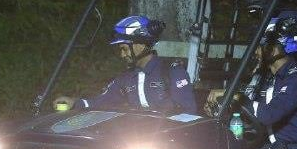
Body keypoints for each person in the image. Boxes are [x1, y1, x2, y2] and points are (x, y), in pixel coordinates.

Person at [205, 17, 297, 149]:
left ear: (272, 50)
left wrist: (233, 95)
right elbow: (249, 110)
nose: (255, 52)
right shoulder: (266, 77)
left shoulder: (296, 78)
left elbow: (268, 115)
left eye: (258, 46)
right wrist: (219, 107)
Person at [54, 15, 197, 114]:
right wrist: (74, 103)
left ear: (140, 44)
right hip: (137, 145)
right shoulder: (126, 78)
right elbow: (102, 101)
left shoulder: (171, 72)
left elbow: (189, 113)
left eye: (124, 48)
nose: (122, 55)